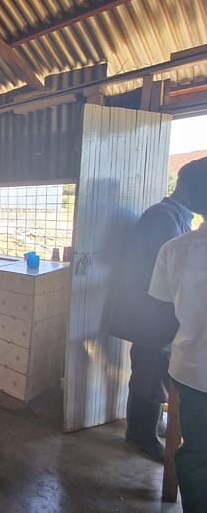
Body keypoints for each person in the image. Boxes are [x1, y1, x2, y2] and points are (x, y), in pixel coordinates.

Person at [104, 157, 207, 462]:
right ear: (187, 188)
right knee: (148, 373)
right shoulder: (163, 217)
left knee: (153, 374)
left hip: (157, 313)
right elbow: (169, 274)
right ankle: (140, 434)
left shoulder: (176, 216)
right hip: (151, 314)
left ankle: (151, 425)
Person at [148, 156, 207, 513]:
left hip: (193, 371)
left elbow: (160, 305)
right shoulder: (164, 222)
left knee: (197, 454)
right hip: (192, 371)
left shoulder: (176, 249)